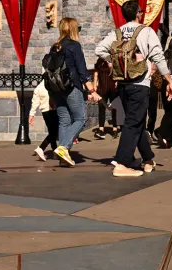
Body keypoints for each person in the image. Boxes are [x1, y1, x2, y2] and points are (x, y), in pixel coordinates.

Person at [94, 0, 172, 178]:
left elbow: (99, 49)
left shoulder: (117, 32)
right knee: (133, 122)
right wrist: (169, 80)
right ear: (138, 13)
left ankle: (148, 159)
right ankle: (122, 162)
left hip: (123, 84)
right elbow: (158, 55)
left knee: (135, 121)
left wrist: (114, 61)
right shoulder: (146, 31)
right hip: (140, 83)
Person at [49, 17, 97, 167]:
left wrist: (51, 94)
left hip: (57, 89)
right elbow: (82, 71)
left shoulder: (55, 46)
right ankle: (63, 148)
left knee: (64, 120)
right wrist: (92, 89)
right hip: (71, 87)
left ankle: (63, 157)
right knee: (81, 119)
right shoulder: (74, 46)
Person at [29, 79, 58, 161]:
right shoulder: (52, 85)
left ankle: (55, 152)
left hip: (45, 112)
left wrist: (32, 114)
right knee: (54, 132)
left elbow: (35, 102)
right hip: (53, 110)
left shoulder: (39, 87)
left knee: (52, 132)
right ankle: (41, 148)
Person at [93, 58, 119, 139]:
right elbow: (96, 75)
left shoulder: (113, 60)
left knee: (114, 109)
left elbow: (117, 73)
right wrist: (94, 89)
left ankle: (115, 129)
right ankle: (101, 130)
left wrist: (117, 82)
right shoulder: (99, 61)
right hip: (102, 89)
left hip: (112, 89)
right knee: (101, 109)